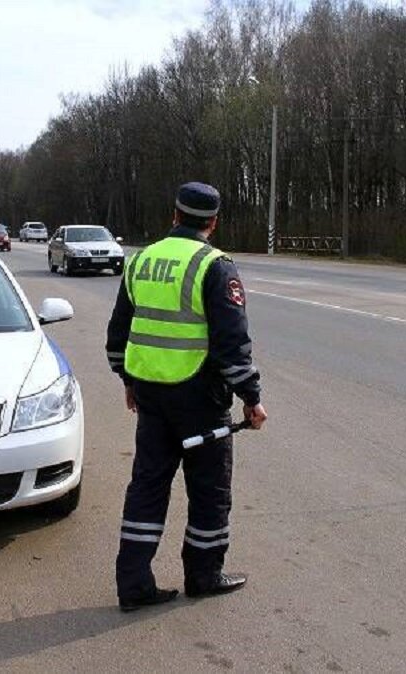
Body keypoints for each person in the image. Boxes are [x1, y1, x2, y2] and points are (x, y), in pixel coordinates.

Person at [106, 181, 268, 612]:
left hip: (151, 398)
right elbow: (232, 345)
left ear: (174, 216)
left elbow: (118, 333)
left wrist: (127, 380)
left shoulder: (141, 260)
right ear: (213, 223)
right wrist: (251, 398)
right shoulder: (215, 266)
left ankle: (134, 585)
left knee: (147, 487)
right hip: (201, 401)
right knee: (210, 491)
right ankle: (203, 575)